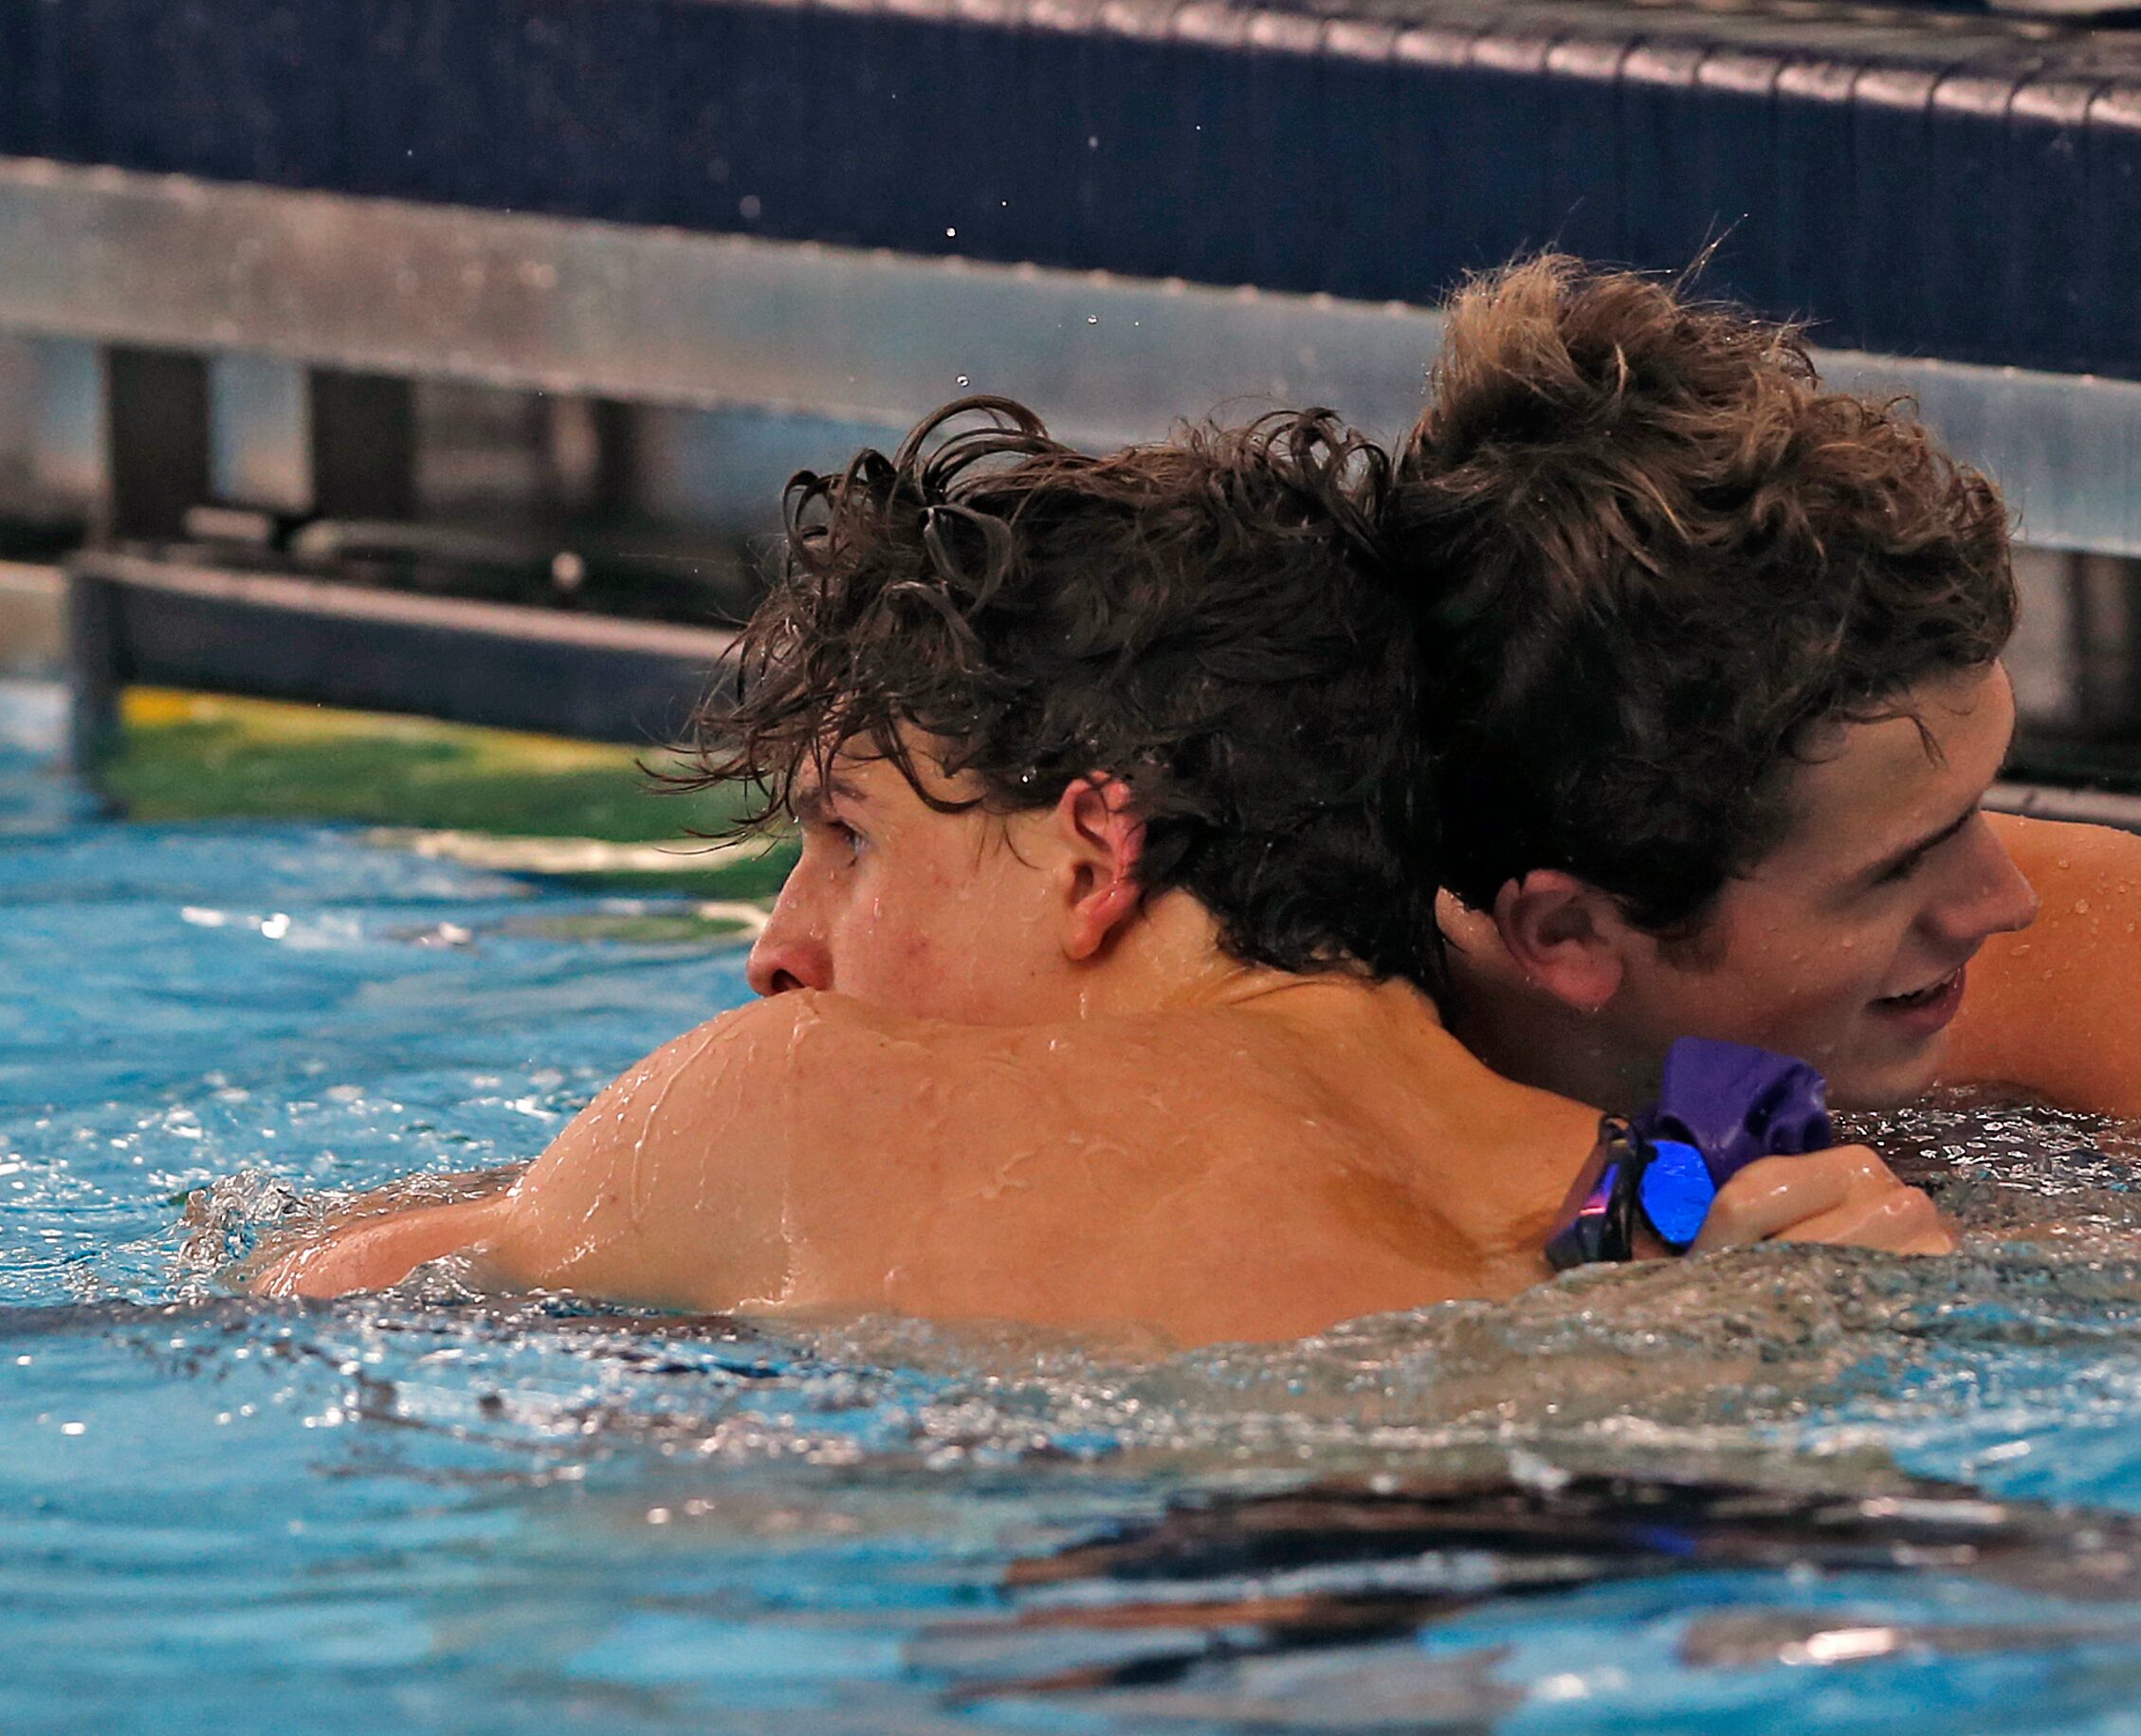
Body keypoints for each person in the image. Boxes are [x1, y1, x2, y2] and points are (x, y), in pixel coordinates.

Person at [250, 399, 1953, 1345]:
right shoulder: (1687, 1207)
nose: (782, 951)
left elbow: (328, 1305)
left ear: (1093, 852)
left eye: (851, 835)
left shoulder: (798, 1099)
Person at [1387, 256, 2141, 1127]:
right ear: (1571, 935)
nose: (2005, 903)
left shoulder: (2112, 956)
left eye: (1976, 805)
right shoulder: (1340, 1122)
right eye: (1890, 870)